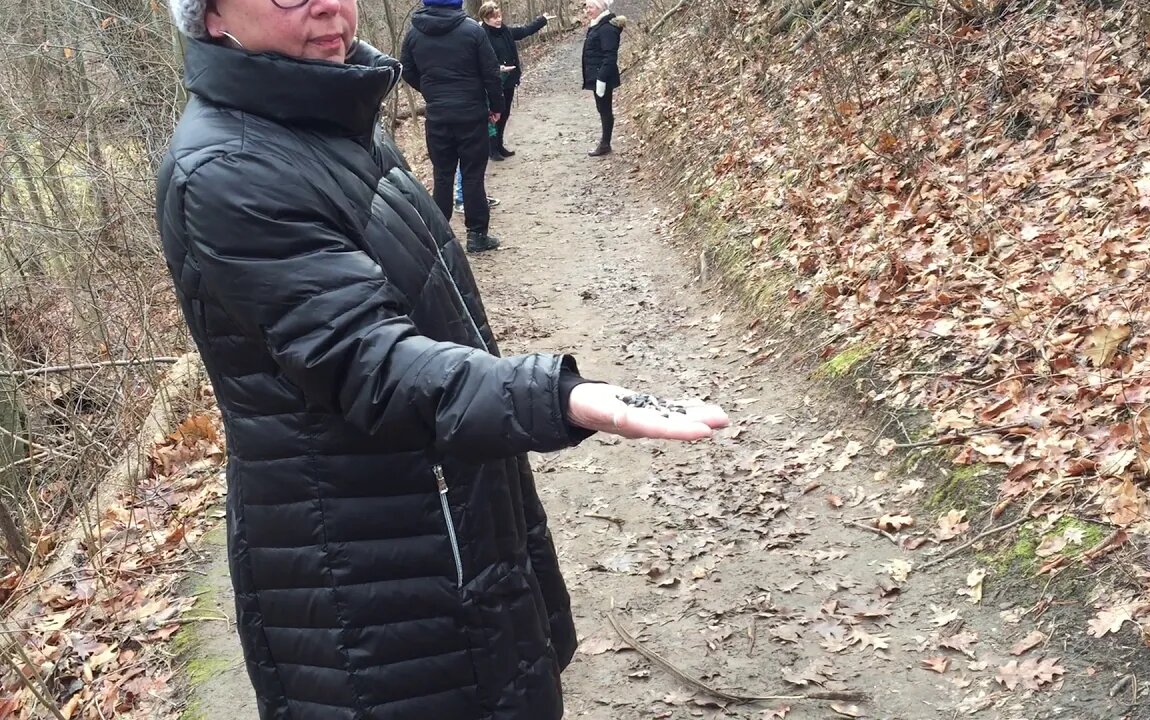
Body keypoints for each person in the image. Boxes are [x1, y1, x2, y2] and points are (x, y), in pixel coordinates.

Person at [157, 2, 730, 719]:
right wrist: (557, 397)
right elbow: (370, 363)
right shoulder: (228, 169)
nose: (327, 3)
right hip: (364, 567)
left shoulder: (332, 117)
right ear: (209, 17)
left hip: (447, 509)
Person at [401, 0, 504, 252]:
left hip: (438, 116)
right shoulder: (472, 30)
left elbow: (407, 69)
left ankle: (438, 237)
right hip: (471, 113)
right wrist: (496, 106)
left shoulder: (415, 33)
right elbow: (490, 72)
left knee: (443, 175)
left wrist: (431, 91)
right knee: (472, 175)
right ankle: (477, 236)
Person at [478, 1, 554, 159]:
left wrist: (542, 20)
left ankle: (499, 145)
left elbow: (525, 30)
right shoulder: (481, 35)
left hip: (509, 79)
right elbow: (480, 61)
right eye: (493, 17)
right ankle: (492, 150)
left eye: (499, 16)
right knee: (493, 114)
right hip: (492, 82)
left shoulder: (506, 31)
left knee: (504, 113)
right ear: (485, 18)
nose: (498, 20)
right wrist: (497, 69)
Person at [581, 0, 624, 157]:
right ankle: (605, 142)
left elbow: (610, 56)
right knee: (602, 109)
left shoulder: (606, 28)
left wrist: (601, 79)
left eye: (591, 7)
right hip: (597, 75)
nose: (588, 10)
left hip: (603, 76)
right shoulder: (597, 24)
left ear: (600, 8)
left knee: (605, 110)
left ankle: (605, 144)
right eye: (587, 7)